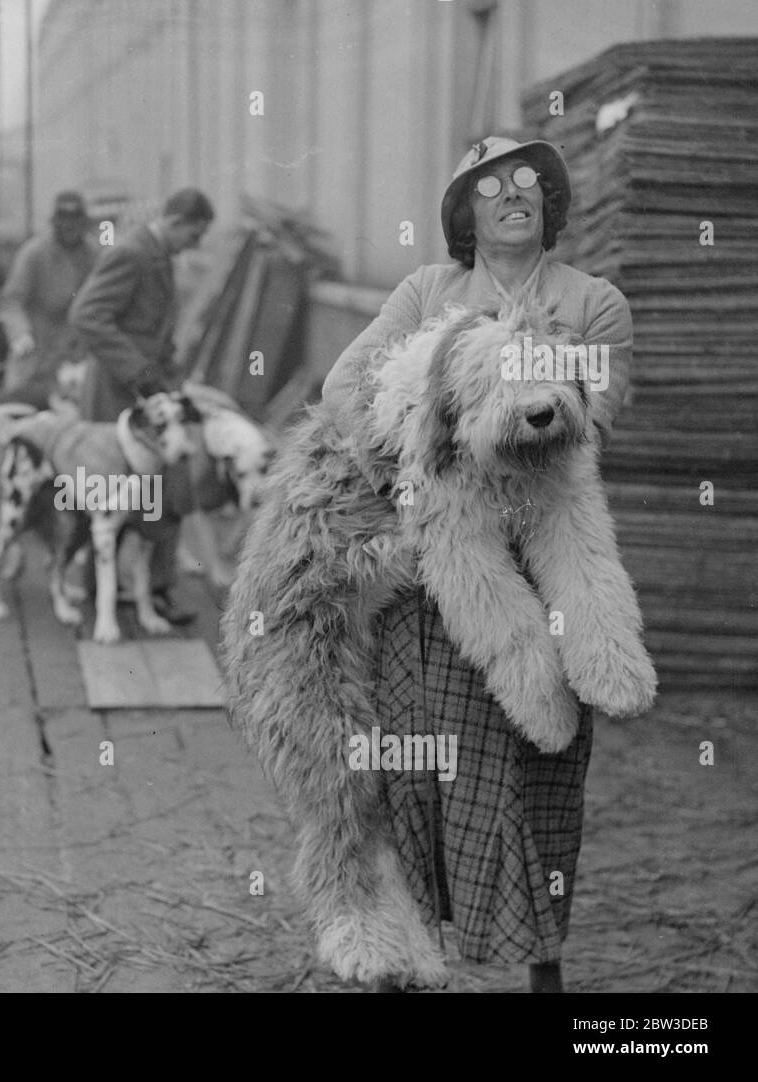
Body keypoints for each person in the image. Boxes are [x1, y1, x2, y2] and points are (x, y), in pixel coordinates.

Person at [319, 136, 633, 993]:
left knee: (537, 783)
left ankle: (543, 978)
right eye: (489, 185)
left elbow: (598, 415)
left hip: (551, 569)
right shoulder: (426, 292)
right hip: (433, 583)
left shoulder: (592, 302)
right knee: (420, 782)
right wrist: (415, 460)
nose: (512, 195)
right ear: (464, 210)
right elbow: (345, 389)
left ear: (551, 201)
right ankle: (416, 964)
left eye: (530, 180)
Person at [69, 187, 215, 623]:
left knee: (162, 489)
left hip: (146, 391)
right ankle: (105, 594)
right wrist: (139, 371)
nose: (196, 245)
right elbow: (87, 315)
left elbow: (153, 329)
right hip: (118, 394)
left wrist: (170, 379)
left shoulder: (158, 258)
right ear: (174, 222)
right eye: (194, 234)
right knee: (110, 489)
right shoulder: (132, 254)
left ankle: (152, 589)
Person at [0, 191, 97, 401]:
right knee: (21, 405)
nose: (70, 228)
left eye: (75, 222)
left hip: (73, 350)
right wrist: (20, 334)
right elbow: (11, 301)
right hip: (36, 344)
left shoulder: (94, 255)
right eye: (64, 222)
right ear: (56, 223)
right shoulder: (34, 253)